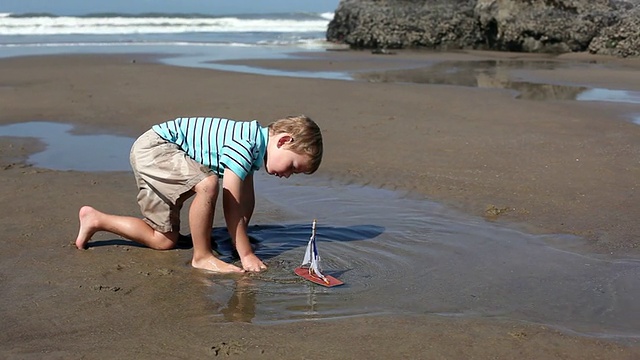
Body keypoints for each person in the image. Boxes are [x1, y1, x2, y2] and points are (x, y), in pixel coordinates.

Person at [75, 115, 323, 273]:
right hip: (156, 148)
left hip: (160, 154)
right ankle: (201, 256)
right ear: (283, 141)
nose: (288, 175)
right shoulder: (245, 143)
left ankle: (96, 220)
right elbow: (232, 203)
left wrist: (241, 240)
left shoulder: (253, 152)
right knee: (208, 184)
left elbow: (246, 201)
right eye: (292, 166)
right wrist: (246, 254)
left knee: (164, 241)